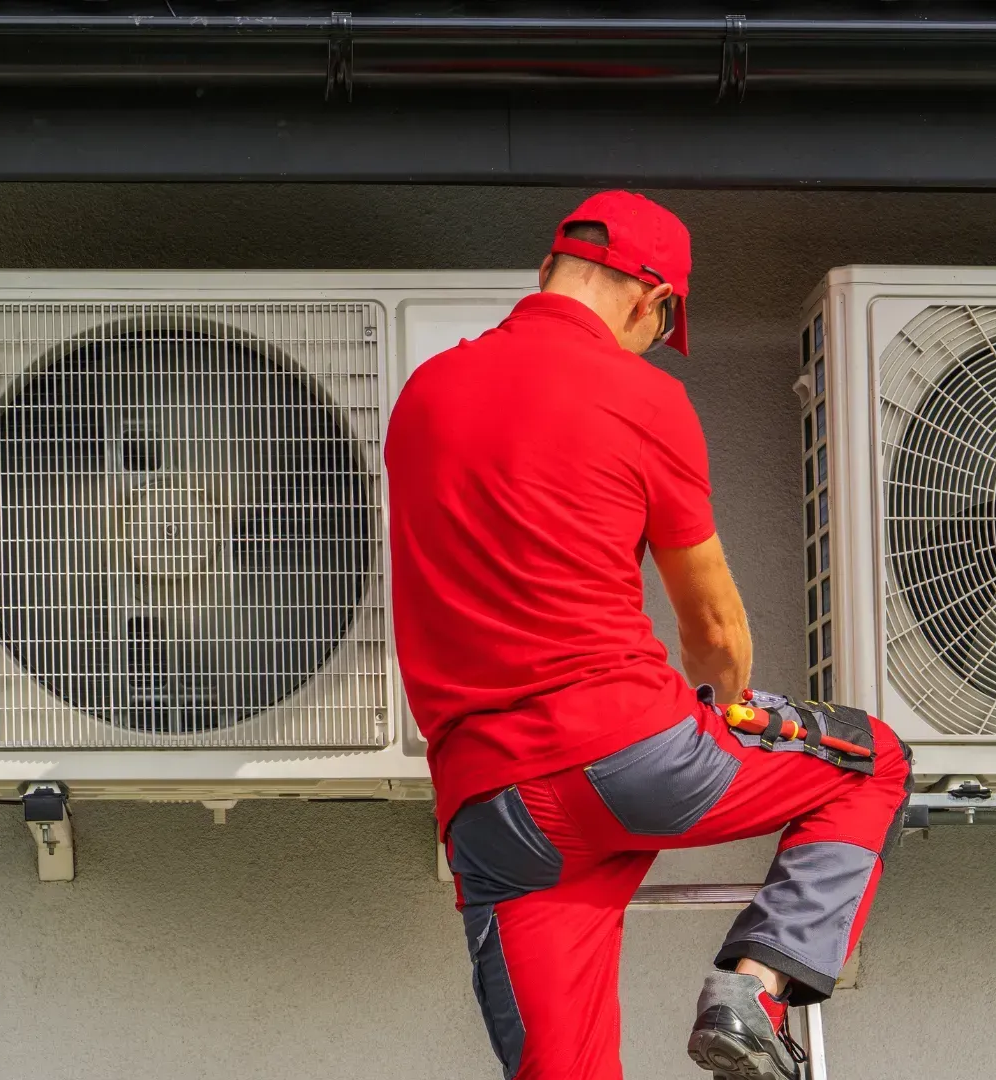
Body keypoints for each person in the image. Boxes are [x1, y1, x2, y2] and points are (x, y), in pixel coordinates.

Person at [384, 190, 912, 1080]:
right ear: (648, 298)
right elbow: (712, 625)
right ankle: (755, 993)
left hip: (493, 808)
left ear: (547, 271)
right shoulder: (643, 397)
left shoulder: (423, 393)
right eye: (660, 325)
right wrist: (731, 706)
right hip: (630, 755)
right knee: (873, 763)